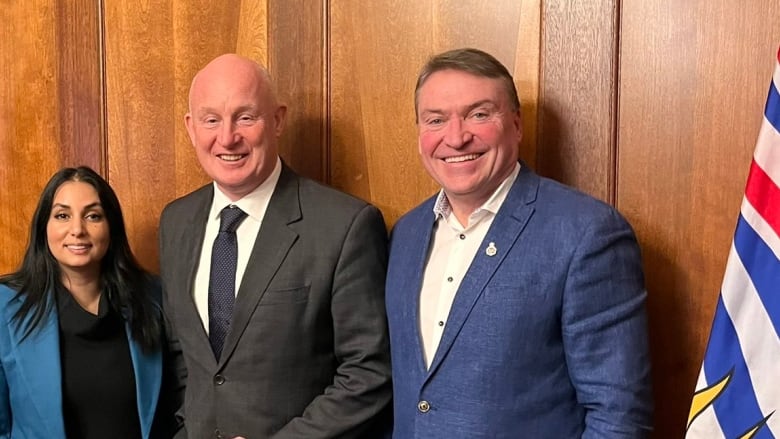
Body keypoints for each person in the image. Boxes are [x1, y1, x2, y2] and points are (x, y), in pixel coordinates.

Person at [385, 47, 653, 437]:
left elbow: (618, 414)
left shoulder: (586, 233)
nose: (456, 137)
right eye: (436, 120)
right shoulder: (406, 233)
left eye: (479, 114)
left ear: (516, 124)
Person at [158, 53, 392, 438]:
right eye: (211, 119)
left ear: (278, 119)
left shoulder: (344, 225)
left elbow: (368, 371)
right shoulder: (176, 222)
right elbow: (183, 352)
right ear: (190, 127)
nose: (227, 137)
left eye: (246, 117)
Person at [0, 166, 183, 438]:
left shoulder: (153, 298)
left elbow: (176, 406)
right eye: (62, 215)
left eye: (93, 216)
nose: (77, 230)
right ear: (44, 228)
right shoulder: (7, 306)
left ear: (111, 227)